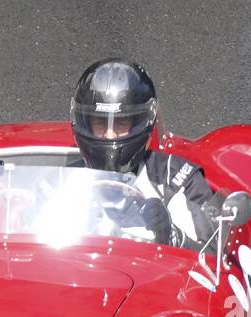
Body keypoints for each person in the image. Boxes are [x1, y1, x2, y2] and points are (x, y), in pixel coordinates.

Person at [70, 59, 225, 248]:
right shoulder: (62, 184)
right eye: (101, 123)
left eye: (121, 123)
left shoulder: (178, 181)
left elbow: (214, 257)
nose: (109, 134)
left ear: (140, 123)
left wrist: (172, 236)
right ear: (85, 123)